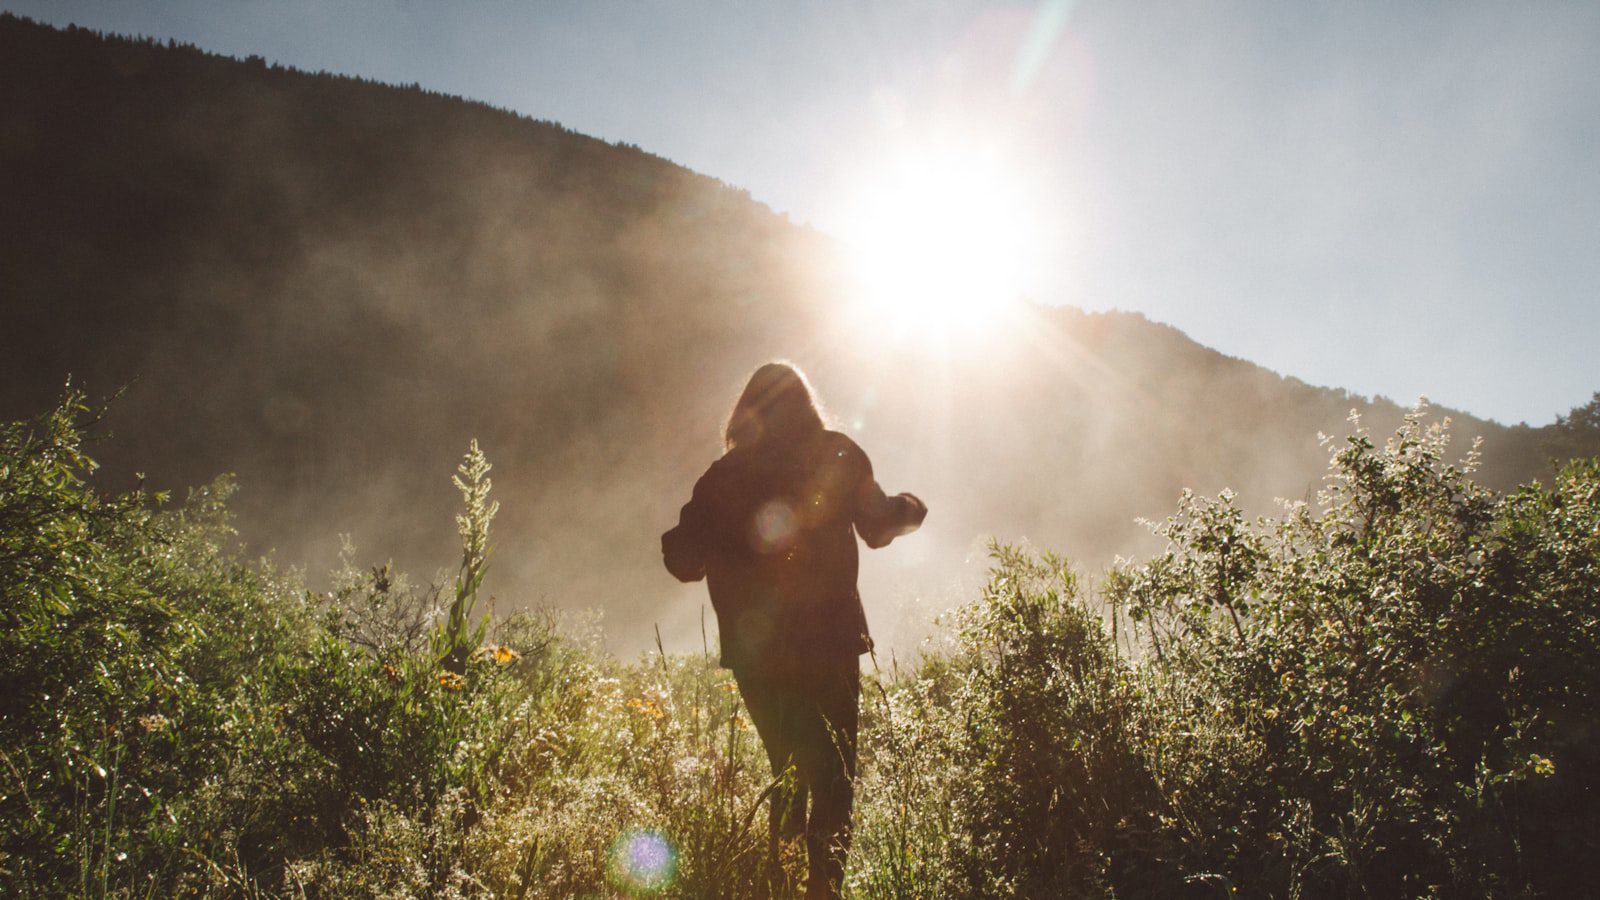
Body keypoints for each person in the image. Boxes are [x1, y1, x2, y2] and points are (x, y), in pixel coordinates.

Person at [661, 362, 926, 899]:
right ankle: (822, 889)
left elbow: (683, 559)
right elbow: (878, 525)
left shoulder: (724, 475)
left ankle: (781, 888)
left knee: (788, 767)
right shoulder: (837, 453)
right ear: (807, 405)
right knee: (834, 778)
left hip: (757, 653)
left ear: (746, 412)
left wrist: (715, 534)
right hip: (830, 643)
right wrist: (913, 509)